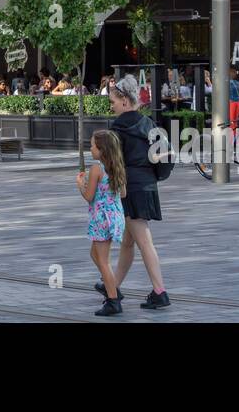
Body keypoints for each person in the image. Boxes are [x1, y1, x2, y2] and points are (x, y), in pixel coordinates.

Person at [104, 85, 169, 310]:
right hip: (148, 184)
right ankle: (112, 285)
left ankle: (160, 291)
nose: (111, 107)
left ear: (124, 101)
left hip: (130, 188)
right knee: (128, 242)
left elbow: (115, 164)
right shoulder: (148, 123)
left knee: (144, 242)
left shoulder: (117, 129)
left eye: (112, 102)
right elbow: (162, 153)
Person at [79, 129, 127, 317]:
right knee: (95, 254)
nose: (90, 149)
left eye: (92, 145)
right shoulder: (117, 166)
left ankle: (113, 299)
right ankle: (111, 286)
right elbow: (123, 194)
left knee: (103, 261)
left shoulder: (97, 168)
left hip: (101, 219)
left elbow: (89, 196)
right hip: (115, 216)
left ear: (101, 149)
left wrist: (80, 185)